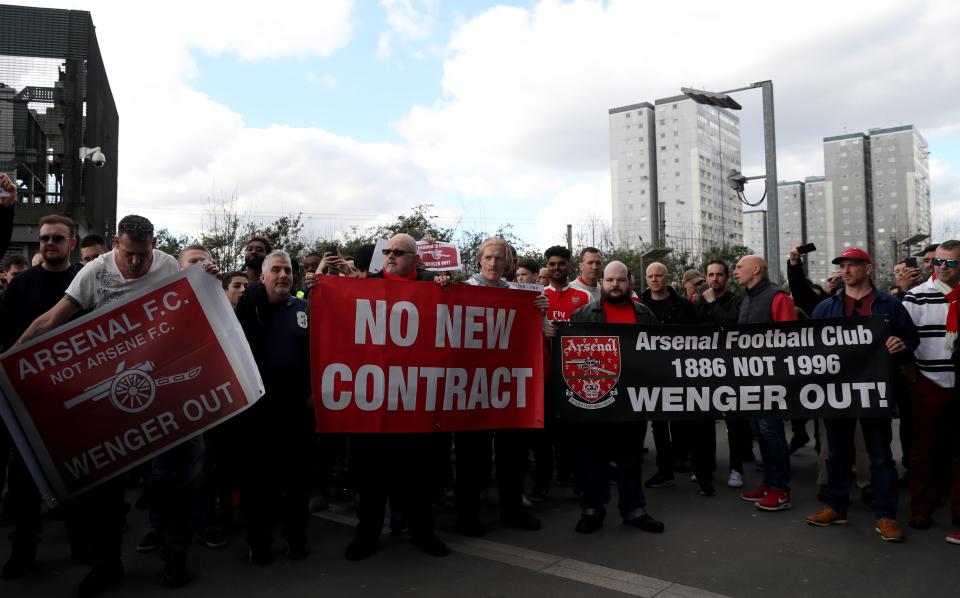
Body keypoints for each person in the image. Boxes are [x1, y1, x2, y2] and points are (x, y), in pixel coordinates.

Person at [16, 215, 185, 596]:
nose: (138, 264)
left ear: (153, 244)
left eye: (144, 255)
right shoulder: (94, 272)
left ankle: (175, 554)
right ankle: (106, 564)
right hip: (113, 389)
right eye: (129, 255)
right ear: (114, 243)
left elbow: (192, 313)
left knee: (171, 479)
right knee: (106, 490)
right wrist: (12, 356)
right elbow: (52, 320)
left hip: (158, 384)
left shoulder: (169, 265)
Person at [341, 234, 448, 560]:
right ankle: (367, 534)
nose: (389, 256)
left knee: (419, 476)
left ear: (414, 259)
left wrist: (445, 283)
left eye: (398, 252)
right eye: (386, 251)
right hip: (374, 400)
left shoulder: (435, 287)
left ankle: (423, 533)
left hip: (415, 401)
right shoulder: (364, 286)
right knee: (371, 478)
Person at [806, 248, 917, 542]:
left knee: (880, 456)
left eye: (852, 265)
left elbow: (911, 339)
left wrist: (900, 343)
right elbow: (809, 346)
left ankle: (885, 514)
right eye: (842, 265)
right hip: (835, 391)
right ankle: (836, 506)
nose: (846, 270)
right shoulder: (826, 307)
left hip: (875, 391)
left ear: (867, 269)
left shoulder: (890, 305)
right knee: (837, 454)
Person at [0, 215, 83, 581]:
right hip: (30, 397)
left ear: (72, 243)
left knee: (81, 474)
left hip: (77, 393)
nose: (49, 244)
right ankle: (23, 549)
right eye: (45, 238)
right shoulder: (22, 286)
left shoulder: (86, 280)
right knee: (23, 478)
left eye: (57, 239)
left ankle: (82, 545)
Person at [557, 261, 664, 535]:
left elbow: (657, 354)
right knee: (593, 459)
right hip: (595, 401)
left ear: (629, 282)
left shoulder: (644, 314)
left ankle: (634, 510)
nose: (615, 285)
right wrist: (551, 335)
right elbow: (569, 355)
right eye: (610, 280)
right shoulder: (583, 314)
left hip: (632, 403)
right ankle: (592, 510)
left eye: (620, 280)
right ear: (601, 282)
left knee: (630, 459)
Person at [452, 238, 547, 537]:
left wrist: (540, 311)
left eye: (499, 259)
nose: (493, 263)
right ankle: (467, 515)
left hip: (508, 386)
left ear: (509, 263)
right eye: (488, 258)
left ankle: (512, 509)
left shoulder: (522, 295)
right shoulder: (464, 289)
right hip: (472, 387)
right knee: (471, 456)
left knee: (513, 455)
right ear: (479, 259)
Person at [233, 250, 313, 566]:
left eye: (288, 271)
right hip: (257, 414)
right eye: (276, 270)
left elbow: (321, 353)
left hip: (297, 412)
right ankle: (259, 542)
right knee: (257, 484)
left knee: (296, 481)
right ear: (262, 277)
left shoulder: (306, 310)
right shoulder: (245, 313)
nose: (283, 275)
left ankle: (297, 538)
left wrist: (313, 393)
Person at [901, 240, 960, 531]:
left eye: (951, 262)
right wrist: (914, 377)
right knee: (923, 451)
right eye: (939, 261)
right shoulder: (916, 296)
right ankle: (921, 508)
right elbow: (903, 340)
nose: (942, 267)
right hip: (928, 382)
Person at [639, 263, 710, 494]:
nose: (655, 279)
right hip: (651, 375)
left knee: (689, 425)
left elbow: (696, 336)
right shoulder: (639, 305)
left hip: (681, 374)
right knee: (658, 427)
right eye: (650, 276)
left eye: (659, 275)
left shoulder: (683, 305)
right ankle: (664, 471)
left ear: (668, 278)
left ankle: (702, 475)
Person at [734, 255, 797, 511]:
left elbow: (790, 338)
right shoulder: (747, 298)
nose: (736, 271)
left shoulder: (778, 297)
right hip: (750, 380)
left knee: (772, 434)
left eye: (740, 267)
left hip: (771, 381)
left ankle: (780, 490)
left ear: (756, 269)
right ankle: (769, 482)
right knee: (761, 433)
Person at [697, 260, 752, 489]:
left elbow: (728, 324)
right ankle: (705, 467)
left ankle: (736, 468)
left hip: (732, 370)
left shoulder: (737, 301)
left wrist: (710, 302)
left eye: (719, 275)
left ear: (727, 278)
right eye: (711, 274)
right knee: (704, 422)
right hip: (705, 370)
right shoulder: (699, 302)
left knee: (735, 423)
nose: (714, 279)